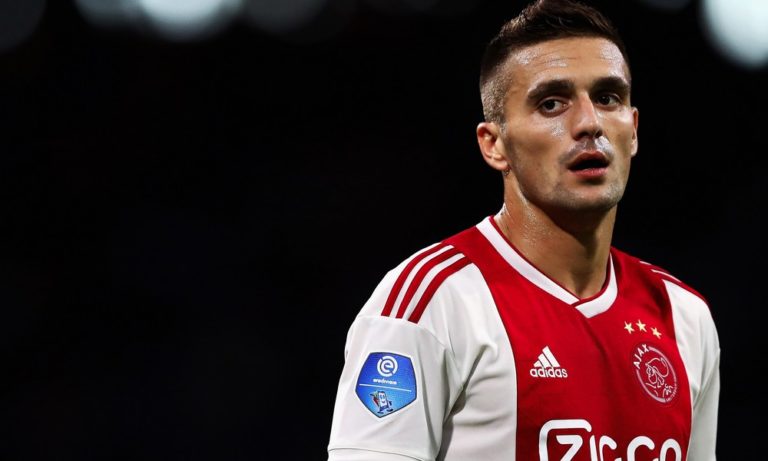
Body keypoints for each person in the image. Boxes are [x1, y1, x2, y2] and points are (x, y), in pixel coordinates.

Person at [326, 0, 720, 459]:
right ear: (494, 145)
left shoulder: (685, 316)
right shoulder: (433, 303)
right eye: (551, 103)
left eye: (608, 98)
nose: (589, 123)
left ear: (632, 131)